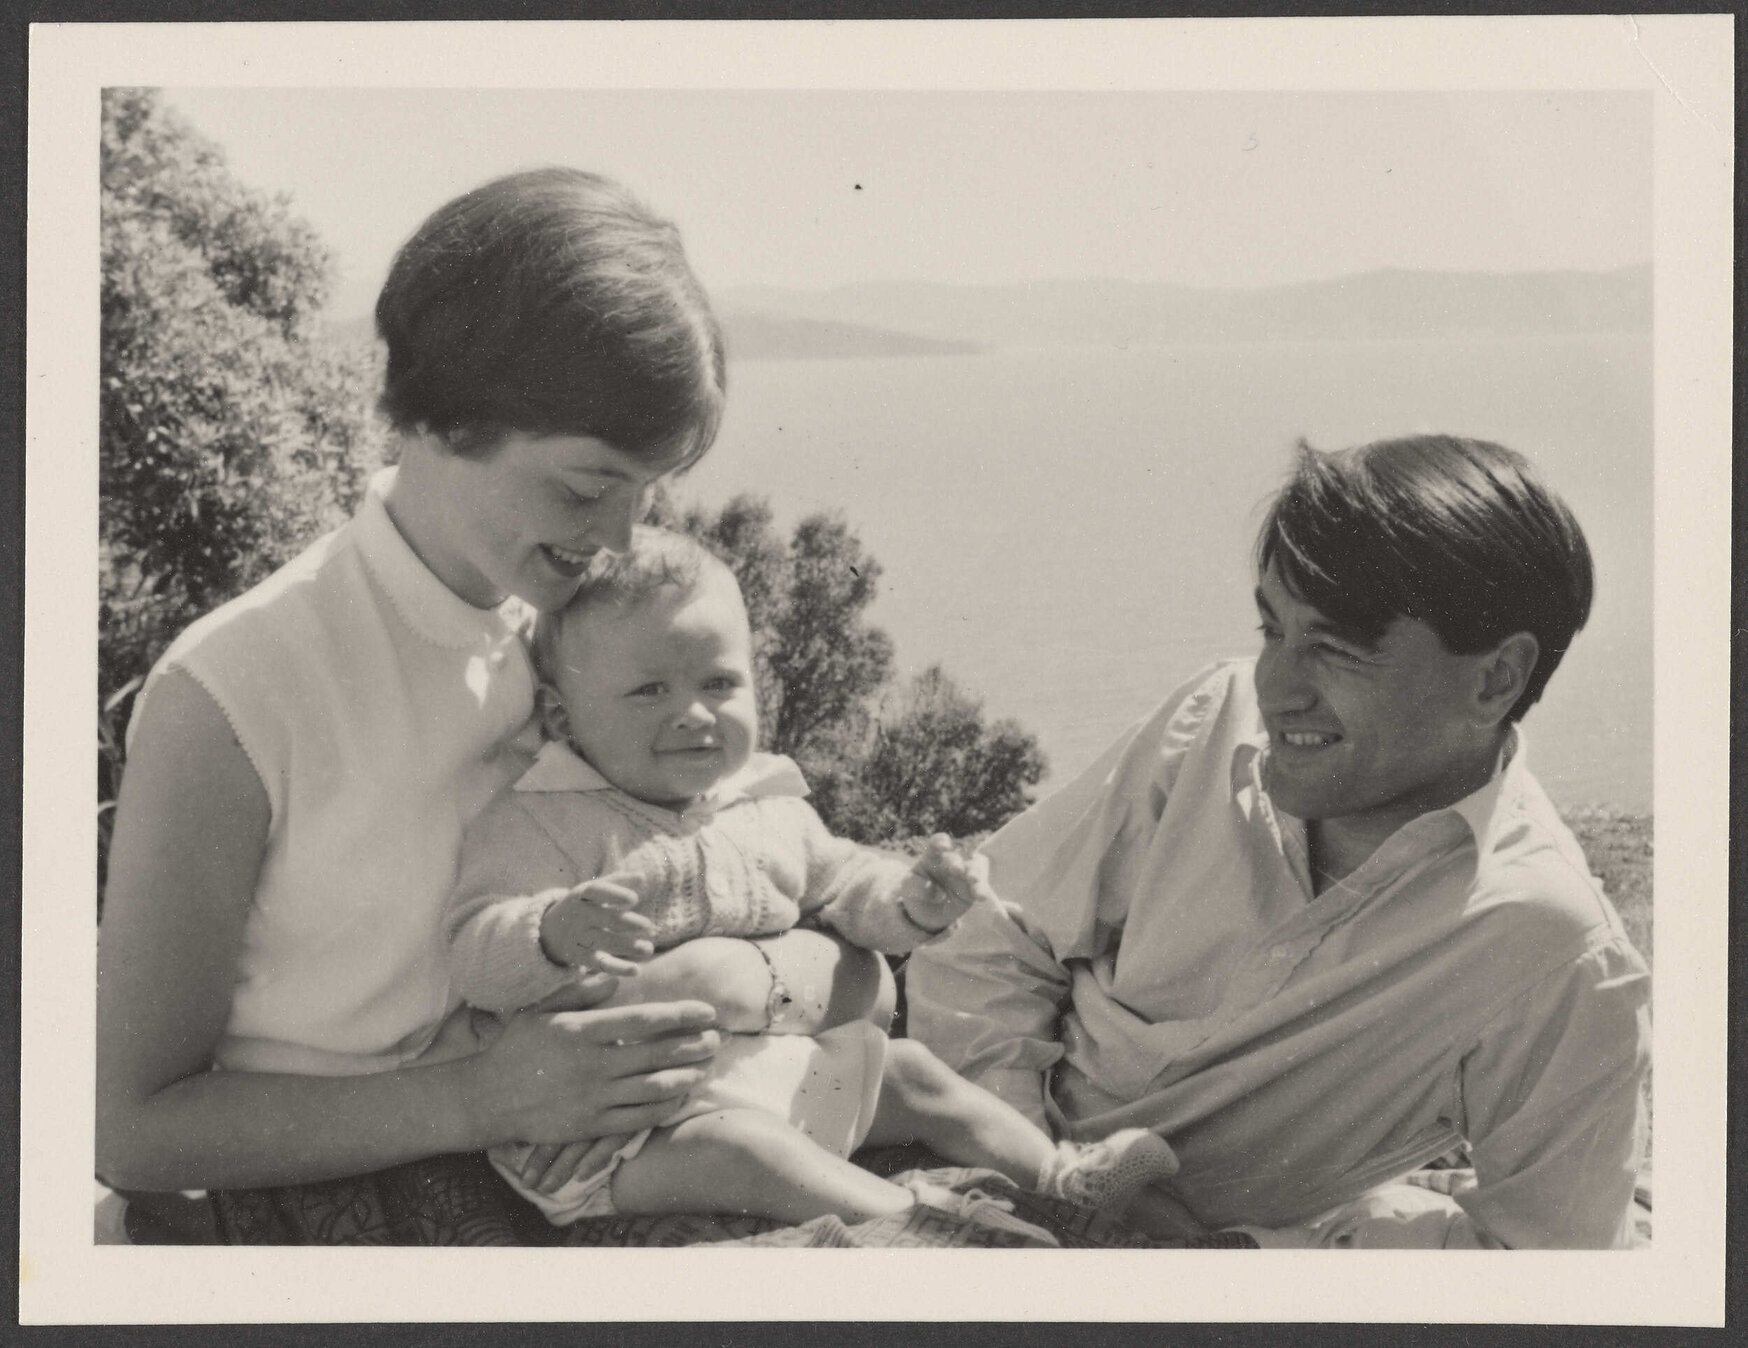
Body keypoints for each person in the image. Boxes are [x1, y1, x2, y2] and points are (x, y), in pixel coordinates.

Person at [95, 168, 878, 1244]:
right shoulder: (233, 690)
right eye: (583, 484)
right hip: (347, 1203)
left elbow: (822, 930)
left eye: (643, 490)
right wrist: (478, 1101)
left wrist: (751, 972)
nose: (615, 537)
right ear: (448, 416)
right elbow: (129, 1129)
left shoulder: (589, 643)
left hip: (617, 1138)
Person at [906, 434, 1652, 1249]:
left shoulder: (1553, 949)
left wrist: (1268, 1252)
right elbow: (989, 934)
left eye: (1335, 649)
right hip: (965, 1157)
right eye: (1272, 631)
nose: (1275, 687)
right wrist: (1028, 1169)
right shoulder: (1214, 718)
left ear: (1495, 678)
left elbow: (1551, 1259)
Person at [445, 526, 1181, 1226]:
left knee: (913, 1070)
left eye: (720, 681)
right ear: (564, 717)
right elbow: (475, 953)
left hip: (778, 1073)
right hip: (622, 1136)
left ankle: (1060, 1176)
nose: (695, 713)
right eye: (649, 692)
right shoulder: (544, 817)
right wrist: (548, 932)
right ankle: (913, 1220)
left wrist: (911, 902)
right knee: (740, 1150)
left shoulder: (765, 807)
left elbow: (844, 885)